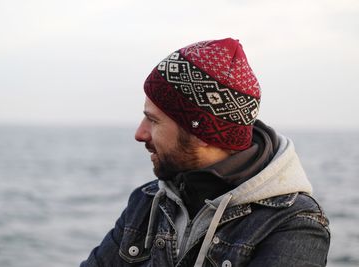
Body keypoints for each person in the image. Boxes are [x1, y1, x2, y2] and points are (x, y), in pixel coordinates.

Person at [80, 38, 330, 267]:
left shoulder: (293, 224)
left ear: (201, 132)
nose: (140, 133)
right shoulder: (147, 201)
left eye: (153, 121)